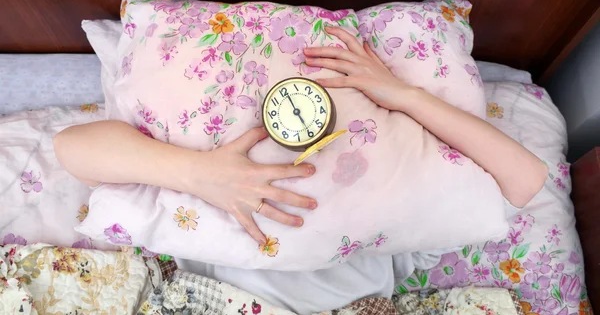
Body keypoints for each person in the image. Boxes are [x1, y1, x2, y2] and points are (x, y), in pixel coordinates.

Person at [54, 26, 547, 313]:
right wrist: (197, 174)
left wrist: (404, 95)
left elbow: (524, 178)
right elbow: (74, 150)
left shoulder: (403, 205)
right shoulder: (207, 181)